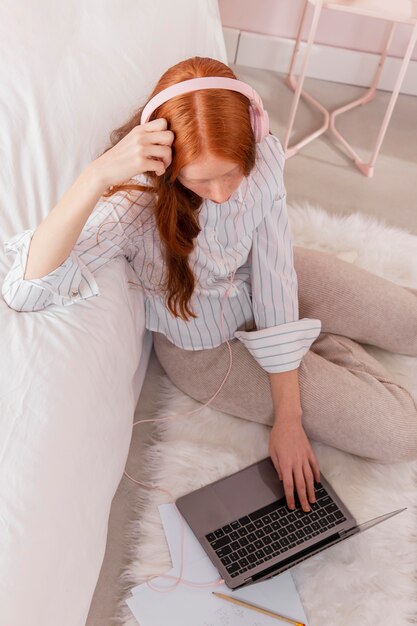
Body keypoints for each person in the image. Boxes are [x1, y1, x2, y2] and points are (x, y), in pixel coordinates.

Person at [2, 57, 417, 515]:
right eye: (201, 179)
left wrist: (289, 357)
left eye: (231, 174)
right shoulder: (136, 202)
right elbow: (26, 290)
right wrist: (96, 175)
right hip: (209, 348)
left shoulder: (263, 159)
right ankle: (320, 343)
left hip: (268, 282)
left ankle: (308, 337)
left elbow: (276, 274)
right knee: (400, 433)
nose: (220, 193)